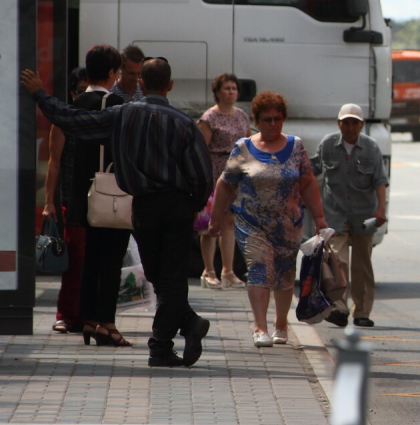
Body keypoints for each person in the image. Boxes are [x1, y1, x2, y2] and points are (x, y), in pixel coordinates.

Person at [21, 58, 213, 368]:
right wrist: (194, 204)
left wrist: (40, 94)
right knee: (170, 276)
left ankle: (165, 343)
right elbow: (202, 174)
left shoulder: (123, 114)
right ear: (170, 85)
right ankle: (179, 330)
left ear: (141, 84)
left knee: (158, 274)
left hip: (143, 205)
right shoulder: (184, 122)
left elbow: (73, 119)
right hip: (177, 204)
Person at [208, 91, 327, 348]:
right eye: (267, 119)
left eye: (278, 119)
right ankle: (259, 327)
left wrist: (319, 218)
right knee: (259, 267)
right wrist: (215, 219)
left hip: (288, 224)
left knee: (285, 274)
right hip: (252, 223)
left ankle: (280, 325)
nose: (273, 124)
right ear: (256, 120)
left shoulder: (296, 146)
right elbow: (226, 184)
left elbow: (307, 182)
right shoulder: (243, 148)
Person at [45, 45, 134, 347]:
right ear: (112, 73)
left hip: (80, 195)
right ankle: (106, 323)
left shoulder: (75, 104)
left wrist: (50, 200)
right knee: (111, 261)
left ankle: (87, 319)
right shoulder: (116, 104)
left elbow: (56, 158)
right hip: (110, 193)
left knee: (86, 261)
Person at [312, 104, 388, 329]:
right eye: (346, 122)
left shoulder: (371, 147)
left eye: (355, 122)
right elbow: (312, 170)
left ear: (361, 125)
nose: (350, 127)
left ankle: (362, 312)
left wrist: (381, 209)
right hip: (335, 213)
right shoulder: (328, 144)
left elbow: (380, 181)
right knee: (338, 260)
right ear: (339, 124)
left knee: (362, 265)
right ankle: (339, 308)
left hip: (364, 215)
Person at [197, 73, 251, 289]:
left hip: (236, 174)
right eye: (227, 88)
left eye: (234, 88)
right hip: (214, 173)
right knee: (210, 223)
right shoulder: (209, 117)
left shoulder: (242, 116)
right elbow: (201, 148)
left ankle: (227, 270)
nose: (231, 92)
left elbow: (249, 144)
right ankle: (208, 270)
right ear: (217, 92)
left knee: (230, 221)